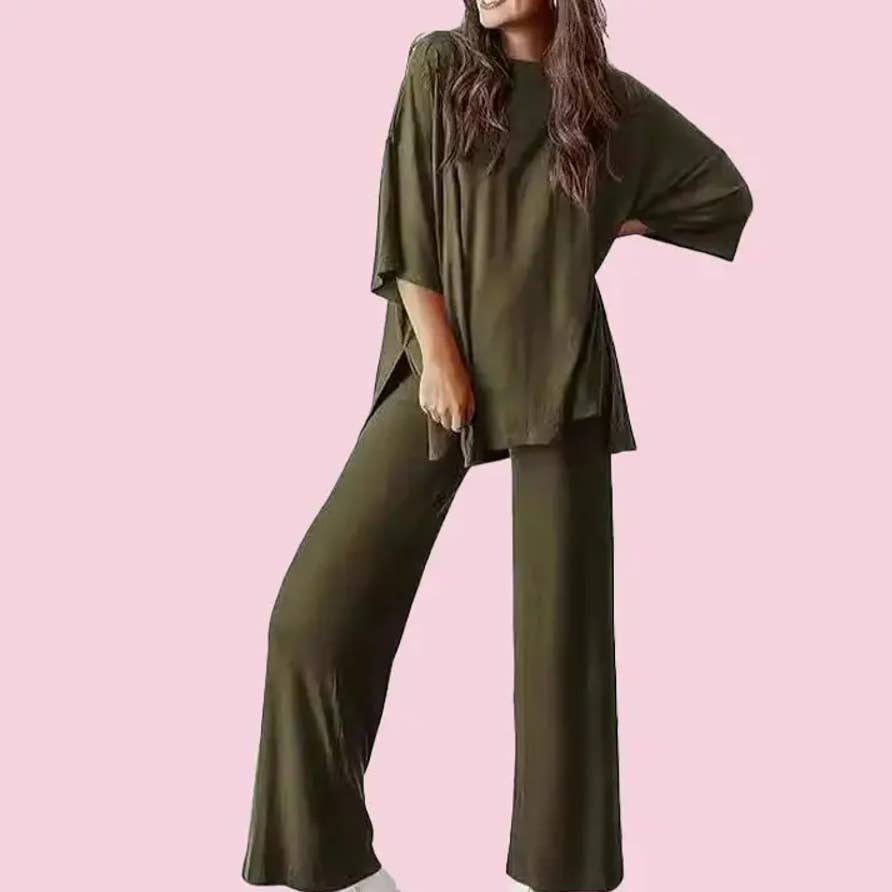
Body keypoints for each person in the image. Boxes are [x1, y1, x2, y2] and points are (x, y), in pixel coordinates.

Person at [240, 1, 753, 890]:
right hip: (444, 372)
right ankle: (332, 863)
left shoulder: (607, 105)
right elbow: (408, 226)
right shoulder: (440, 67)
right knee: (310, 616)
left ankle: (564, 872)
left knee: (563, 650)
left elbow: (723, 190)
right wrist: (437, 357)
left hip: (564, 372)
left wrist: (612, 219)